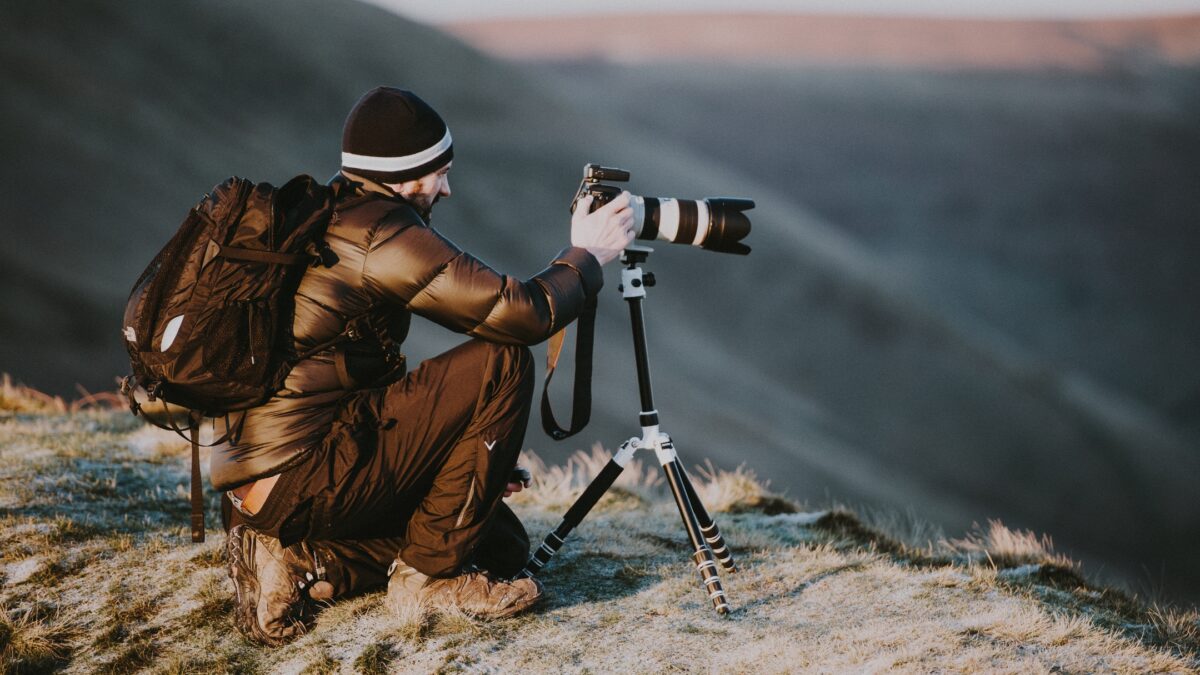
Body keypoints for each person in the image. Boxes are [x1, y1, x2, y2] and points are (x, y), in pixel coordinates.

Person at [217, 86, 635, 645]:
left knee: (498, 542)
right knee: (502, 362)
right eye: (440, 172)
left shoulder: (327, 216)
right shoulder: (380, 234)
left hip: (258, 482)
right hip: (306, 474)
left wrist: (458, 454)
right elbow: (520, 315)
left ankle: (303, 563)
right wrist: (587, 255)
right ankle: (427, 582)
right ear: (409, 173)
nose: (447, 187)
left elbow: (352, 379)